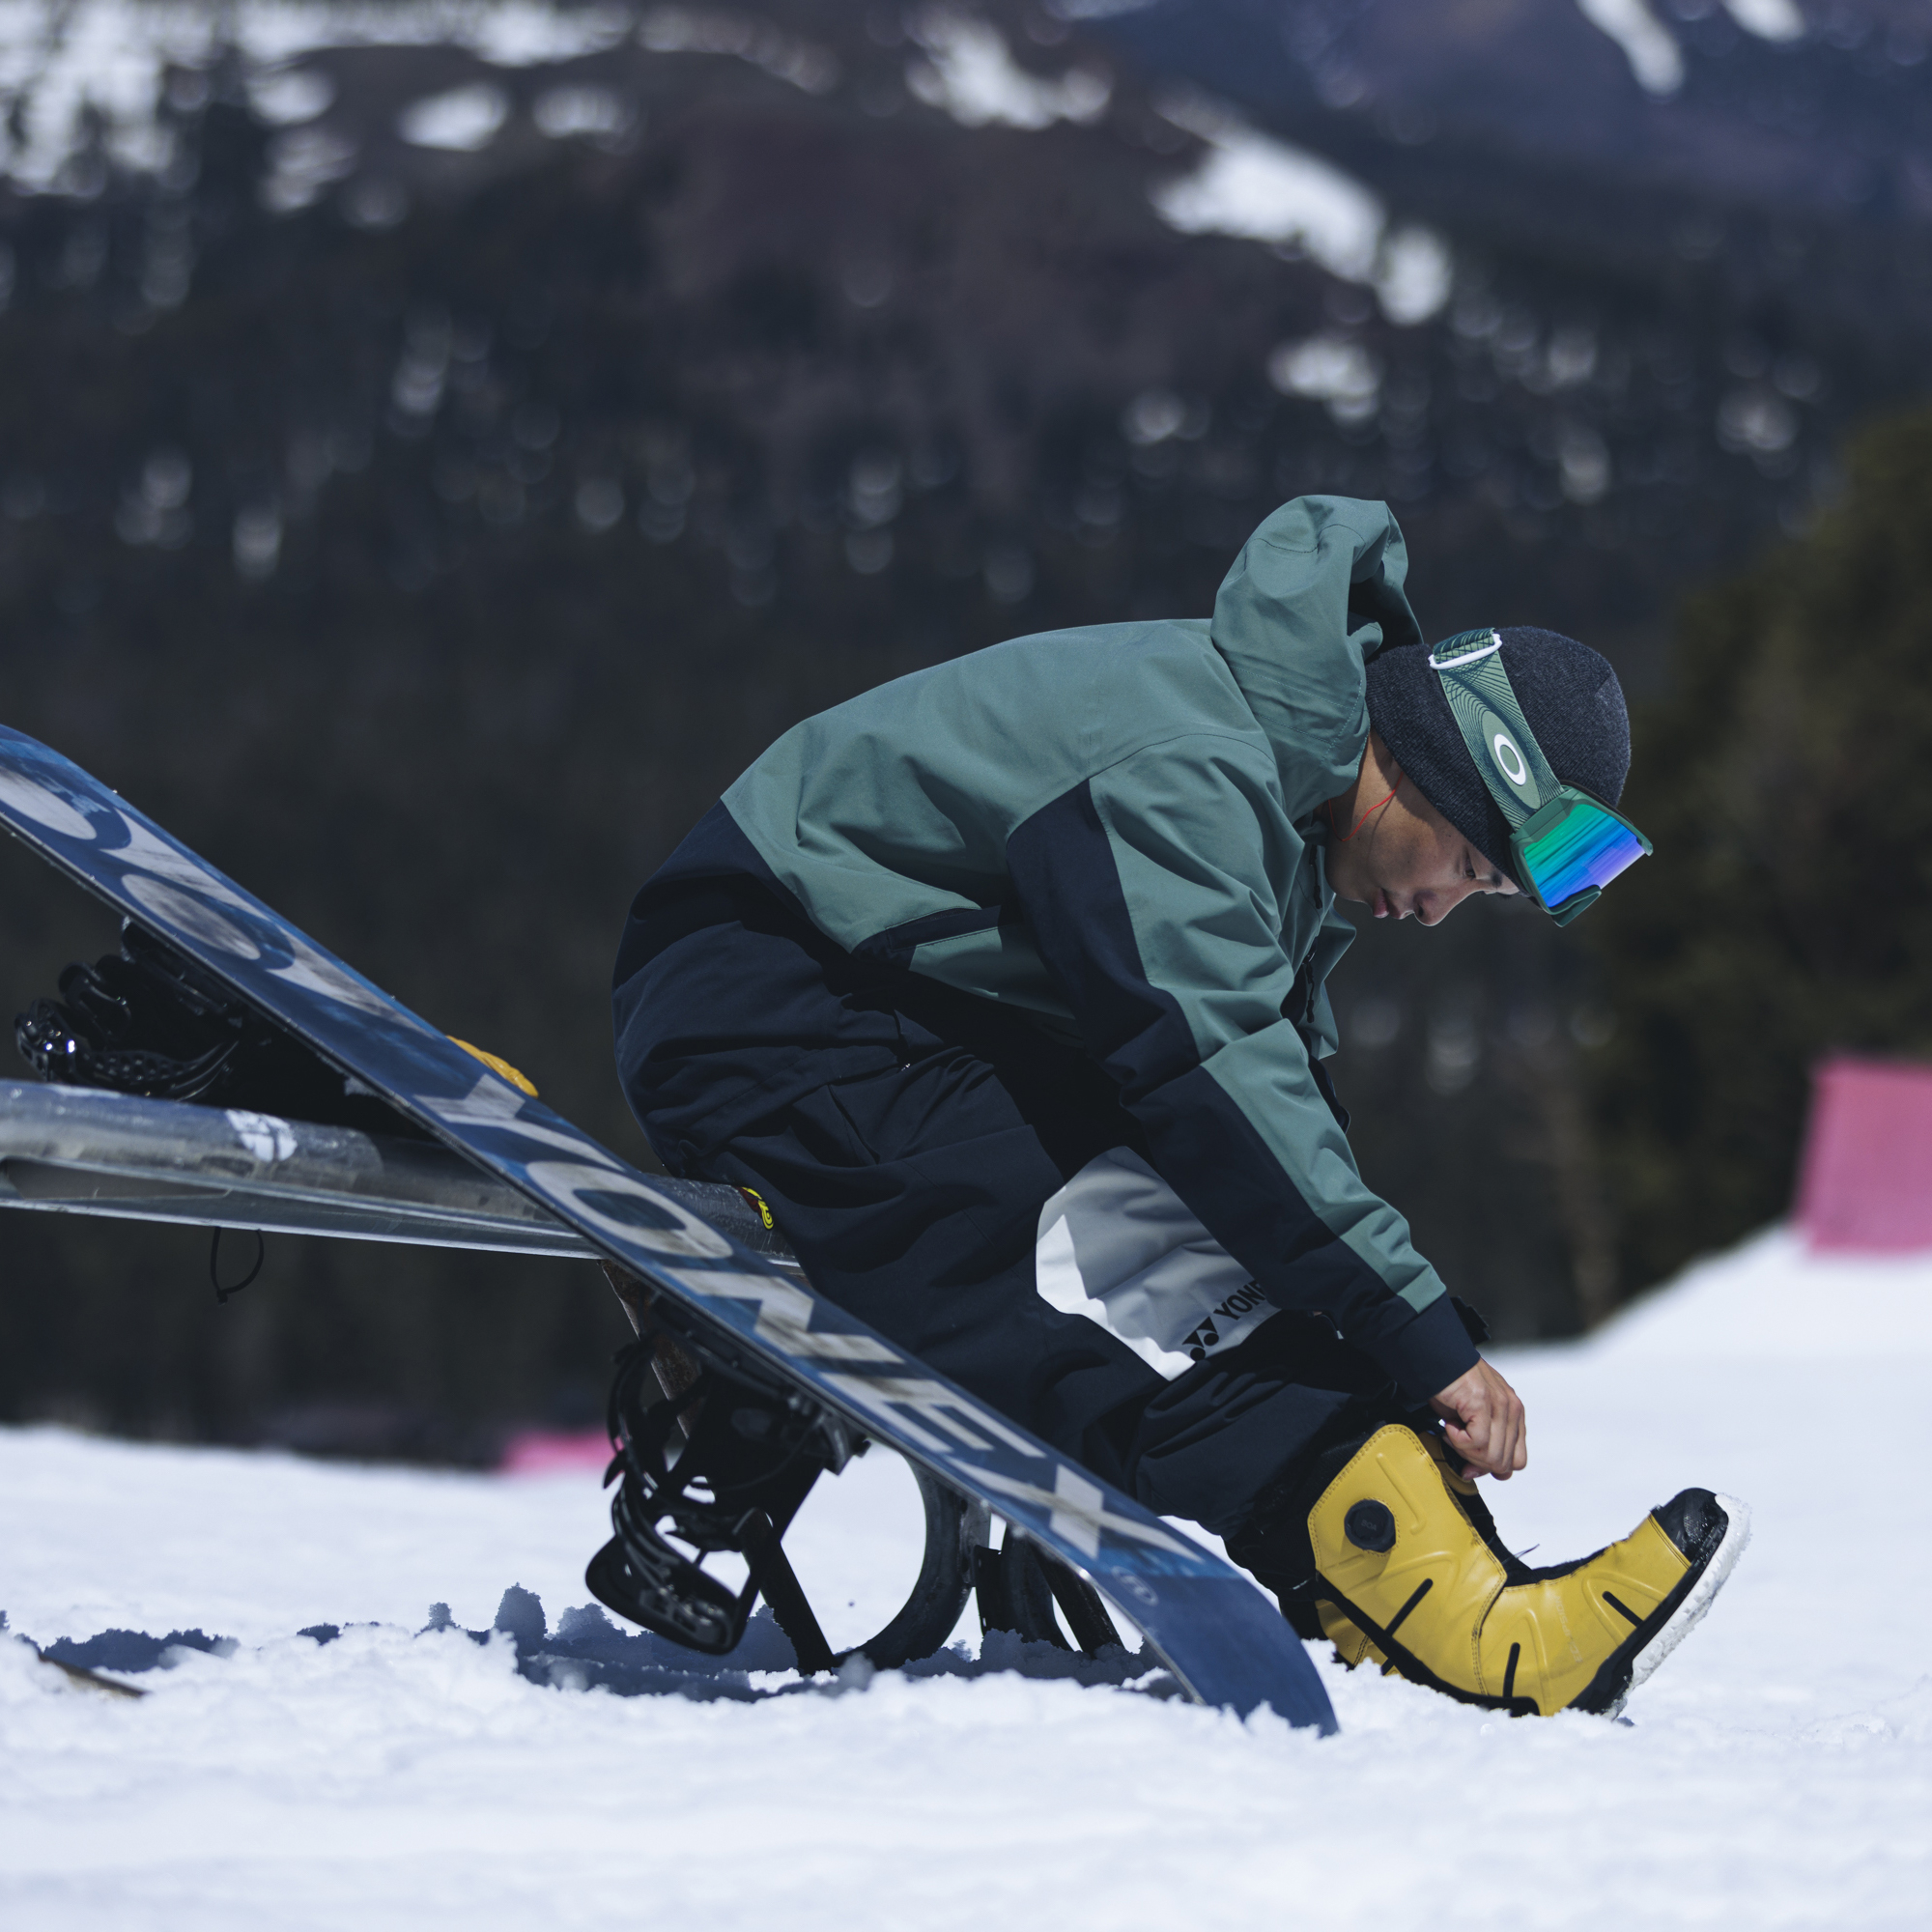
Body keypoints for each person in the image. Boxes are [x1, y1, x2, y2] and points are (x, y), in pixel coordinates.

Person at [611, 495, 1747, 1717]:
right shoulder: (1193, 768)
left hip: (886, 1010)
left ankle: (1422, 1582)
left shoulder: (1290, 806)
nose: (1438, 909)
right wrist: (1410, 1327)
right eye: (1468, 869)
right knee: (1099, 1254)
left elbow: (1283, 1131)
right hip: (764, 997)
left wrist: (1382, 1335)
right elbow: (1209, 1072)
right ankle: (1461, 1624)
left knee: (1220, 1249)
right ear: (1420, 776)